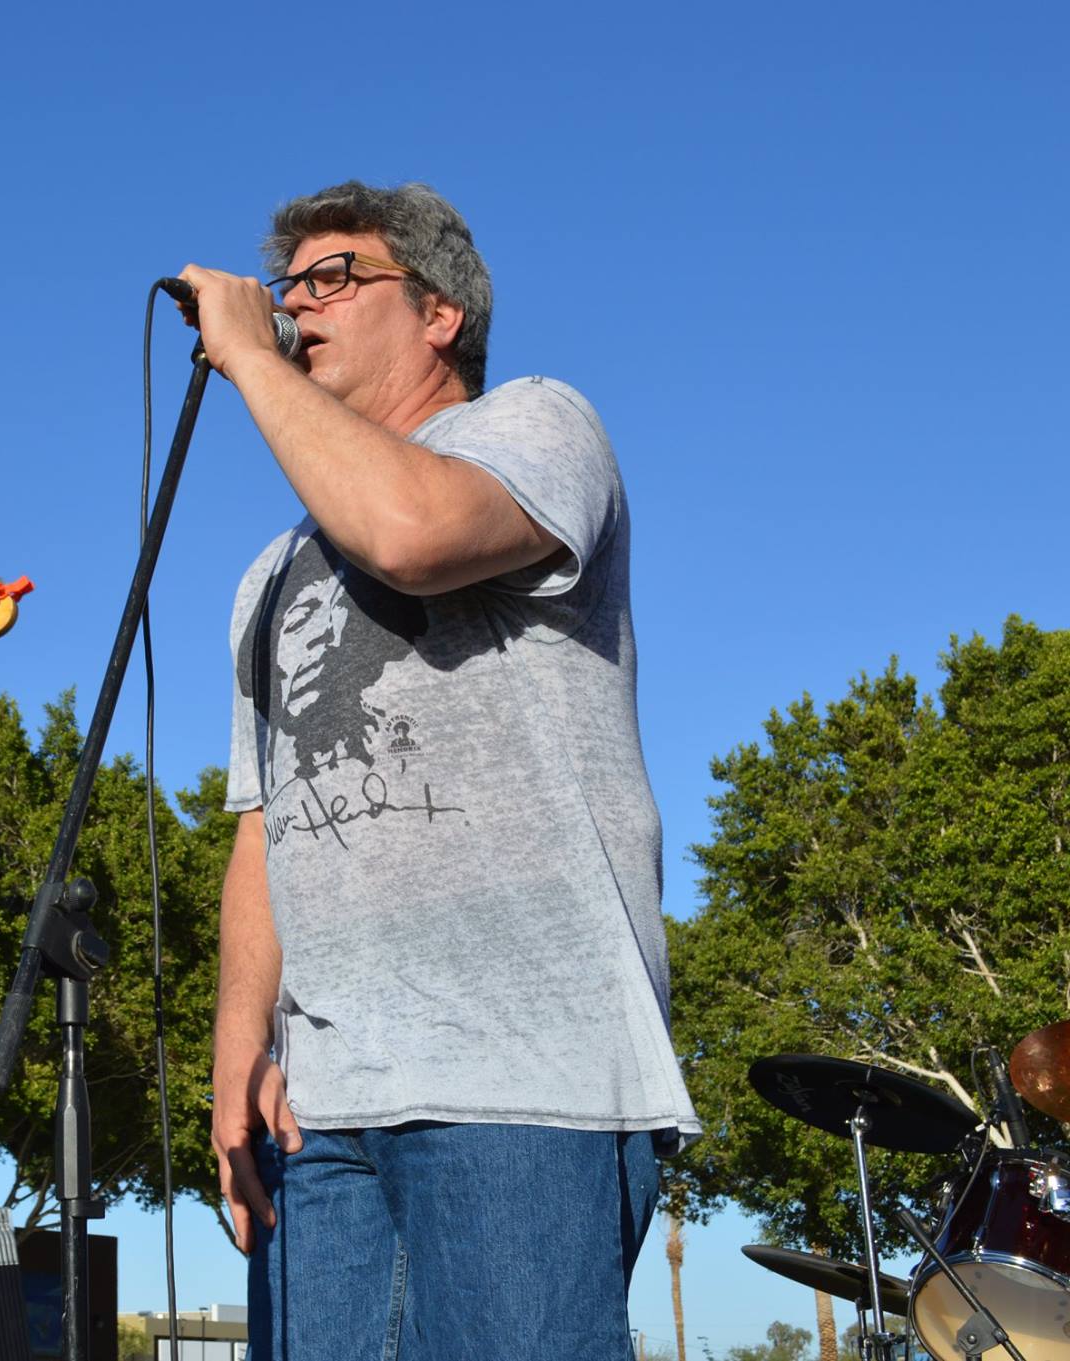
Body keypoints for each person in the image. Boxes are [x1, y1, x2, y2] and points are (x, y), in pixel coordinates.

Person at [186, 182, 699, 1360]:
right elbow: (267, 818)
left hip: (519, 1070)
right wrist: (235, 1052)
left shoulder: (535, 422)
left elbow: (410, 535)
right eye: (286, 285)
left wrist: (249, 358)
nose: (294, 304)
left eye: (334, 277)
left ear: (439, 313)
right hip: (319, 1102)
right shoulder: (271, 570)